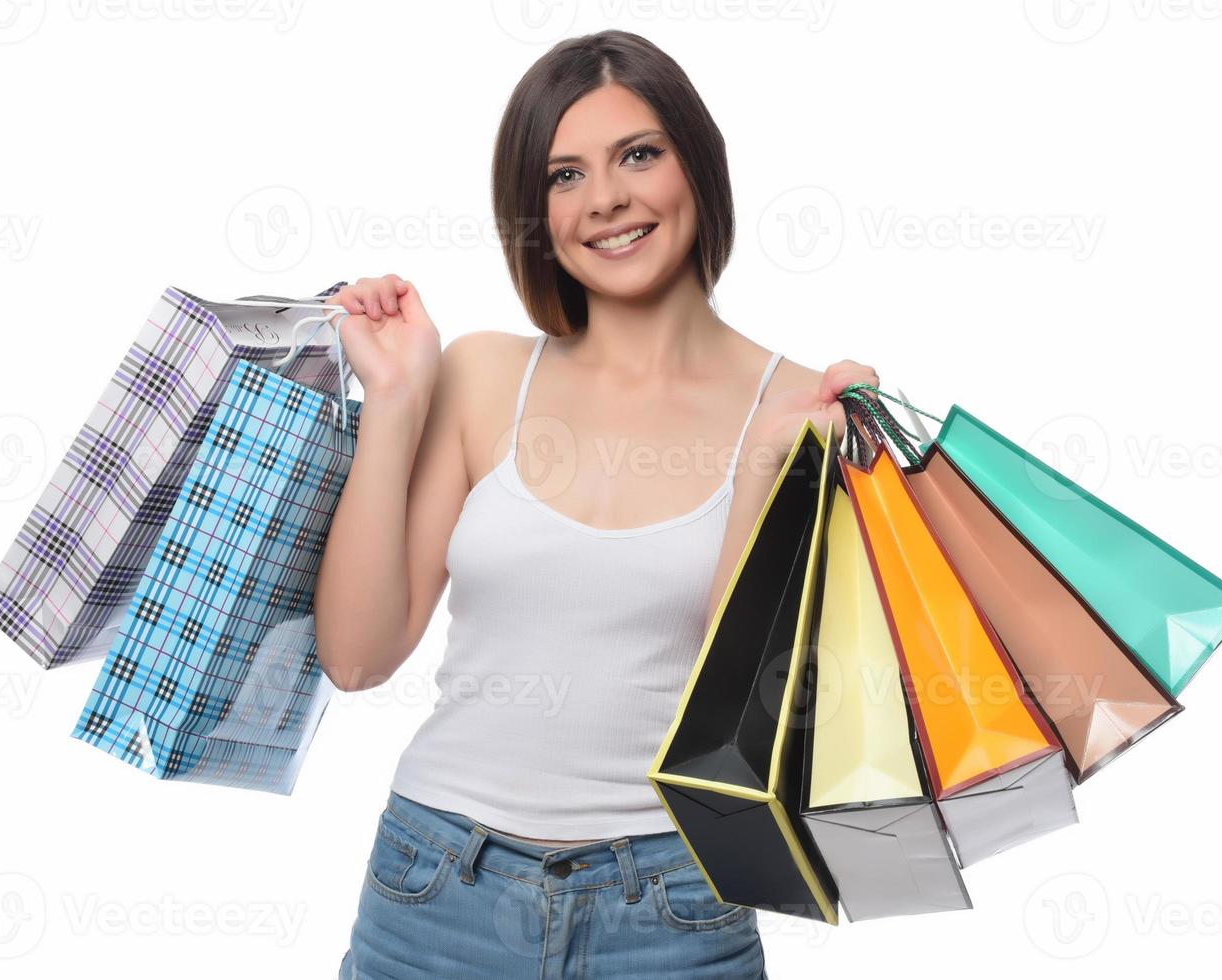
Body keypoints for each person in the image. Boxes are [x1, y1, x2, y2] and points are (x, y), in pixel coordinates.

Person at [316, 29, 879, 979]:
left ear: (697, 166)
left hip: (673, 908)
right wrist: (399, 400)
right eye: (563, 175)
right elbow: (357, 657)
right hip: (434, 891)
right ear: (533, 212)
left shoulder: (798, 410)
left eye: (639, 155)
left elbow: (754, 724)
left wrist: (759, 481)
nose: (606, 199)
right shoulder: (482, 375)